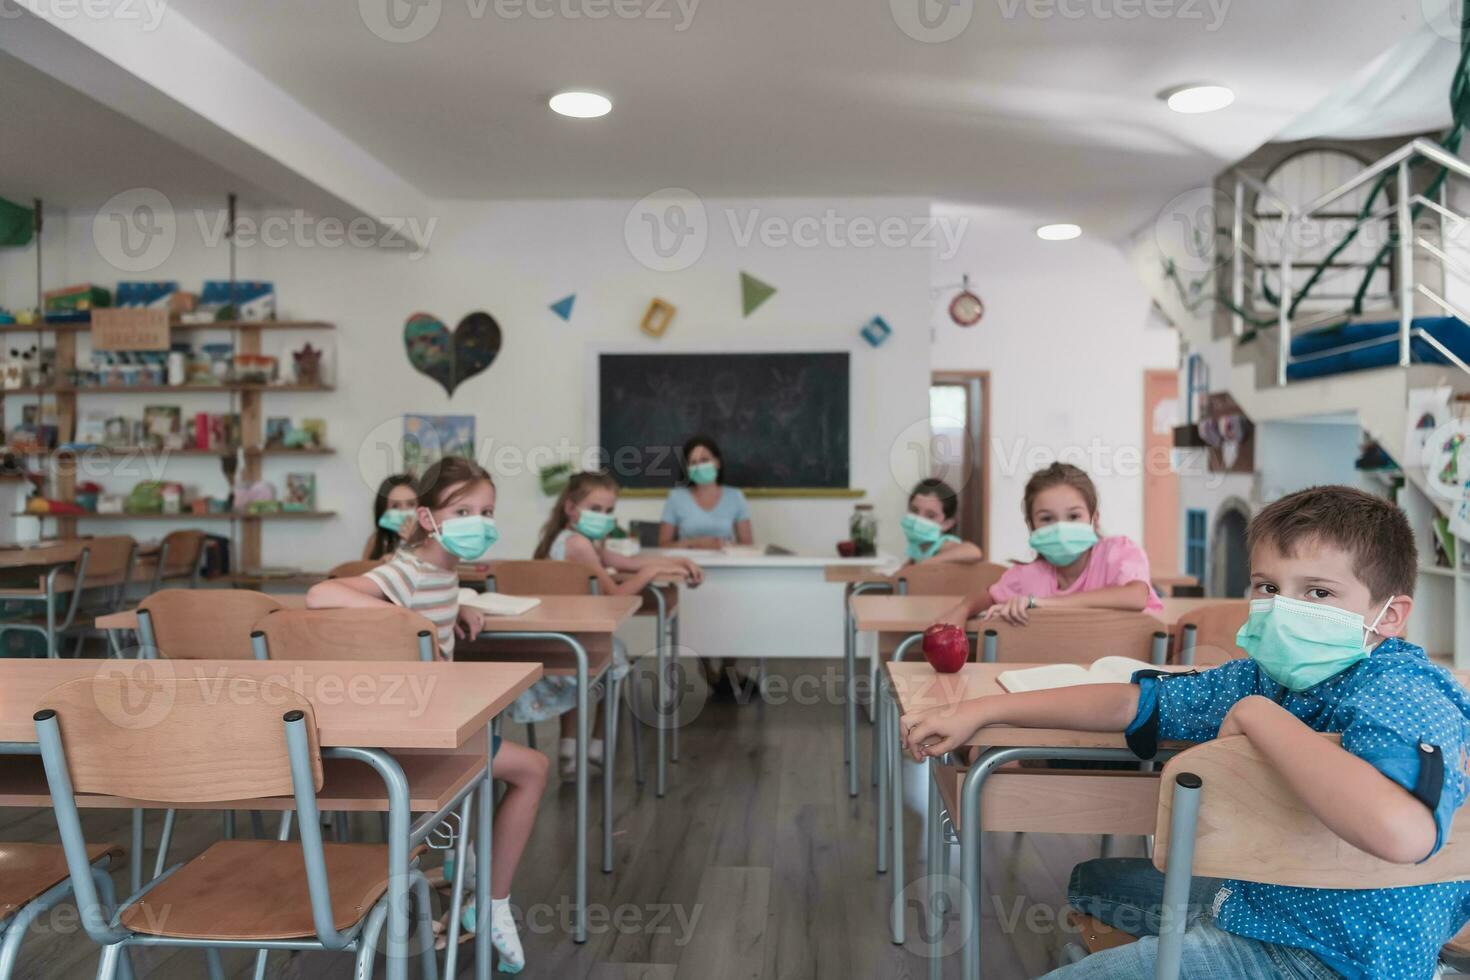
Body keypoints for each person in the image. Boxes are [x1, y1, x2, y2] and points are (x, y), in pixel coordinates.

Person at [902, 485, 1470, 979]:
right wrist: (983, 712)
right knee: (1094, 882)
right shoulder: (1269, 674)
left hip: (1338, 957)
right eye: (1268, 588)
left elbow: (1404, 834)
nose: (1283, 609)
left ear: (1389, 616)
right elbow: (1133, 700)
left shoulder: (1404, 690)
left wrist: (1257, 716)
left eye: (1318, 593)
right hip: (1265, 905)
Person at [307, 457, 545, 973]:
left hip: (429, 726)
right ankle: (492, 904)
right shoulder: (408, 569)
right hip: (415, 739)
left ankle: (468, 874)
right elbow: (320, 594)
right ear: (429, 517)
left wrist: (460, 603)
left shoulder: (441, 569)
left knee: (486, 741)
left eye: (486, 510)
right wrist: (403, 617)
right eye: (463, 509)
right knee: (532, 769)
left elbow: (431, 590)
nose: (479, 520)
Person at [519, 470, 704, 779]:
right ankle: (596, 746)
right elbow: (615, 593)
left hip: (556, 641)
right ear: (570, 508)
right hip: (570, 645)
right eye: (596, 509)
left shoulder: (572, 540)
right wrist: (646, 577)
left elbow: (630, 563)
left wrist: (678, 562)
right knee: (616, 659)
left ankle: (570, 748)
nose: (604, 517)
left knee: (600, 658)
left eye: (609, 511)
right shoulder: (578, 545)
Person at [938, 462, 1160, 627]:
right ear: (1032, 525)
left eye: (1073, 516)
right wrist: (962, 610)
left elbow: (1136, 596)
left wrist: (1042, 603)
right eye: (1047, 519)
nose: (1061, 528)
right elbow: (988, 595)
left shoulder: (1117, 552)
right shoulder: (1028, 576)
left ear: (1095, 519)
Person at [657, 434, 753, 549]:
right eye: (693, 462)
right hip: (685, 564)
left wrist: (726, 546)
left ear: (717, 463)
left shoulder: (735, 496)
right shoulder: (676, 497)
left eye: (705, 460)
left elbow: (748, 546)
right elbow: (663, 545)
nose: (699, 466)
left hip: (726, 563)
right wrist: (695, 543)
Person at [902, 477, 983, 564]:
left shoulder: (943, 544)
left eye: (930, 516)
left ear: (947, 524)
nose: (919, 519)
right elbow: (904, 574)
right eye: (914, 510)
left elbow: (973, 551)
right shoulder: (917, 547)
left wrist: (927, 564)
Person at [363, 473, 417, 560]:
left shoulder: (431, 540)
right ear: (384, 511)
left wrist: (413, 541)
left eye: (411, 504)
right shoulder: (376, 541)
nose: (404, 511)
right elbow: (363, 570)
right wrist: (379, 565)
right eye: (395, 506)